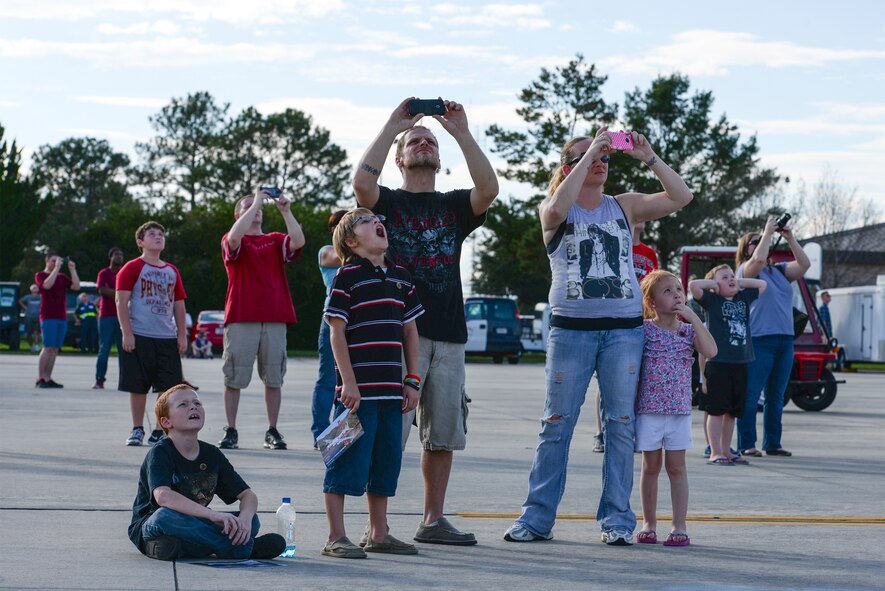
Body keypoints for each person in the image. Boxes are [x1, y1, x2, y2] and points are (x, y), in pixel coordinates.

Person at [504, 128, 693, 546]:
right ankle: (535, 520)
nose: (601, 161)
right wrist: (588, 149)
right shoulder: (556, 209)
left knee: (621, 426)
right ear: (569, 166)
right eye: (589, 156)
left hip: (623, 333)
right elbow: (555, 207)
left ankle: (617, 521)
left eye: (605, 156)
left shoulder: (623, 207)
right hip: (571, 333)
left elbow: (681, 197)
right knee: (556, 425)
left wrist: (649, 156)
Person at [352, 97, 499, 546]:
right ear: (399, 158)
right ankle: (378, 527)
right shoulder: (388, 204)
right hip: (396, 335)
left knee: (443, 434)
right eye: (414, 141)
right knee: (389, 433)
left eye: (428, 140)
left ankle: (432, 521)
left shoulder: (454, 206)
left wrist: (460, 132)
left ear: (439, 158)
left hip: (449, 335)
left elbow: (489, 188)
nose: (422, 144)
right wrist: (393, 124)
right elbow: (361, 182)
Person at [320, 208, 423, 559]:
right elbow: (336, 331)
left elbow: (410, 331)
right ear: (351, 240)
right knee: (344, 460)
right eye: (365, 220)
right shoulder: (346, 277)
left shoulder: (400, 277)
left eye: (378, 218)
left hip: (391, 395)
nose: (377, 221)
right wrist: (348, 382)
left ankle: (379, 533)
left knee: (385, 462)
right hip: (356, 397)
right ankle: (336, 536)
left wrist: (412, 380)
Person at [128, 383, 286, 561]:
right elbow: (163, 497)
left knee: (252, 520)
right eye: (183, 404)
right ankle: (235, 547)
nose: (193, 407)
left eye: (197, 403)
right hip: (154, 525)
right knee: (165, 516)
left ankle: (191, 546)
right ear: (166, 422)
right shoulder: (161, 452)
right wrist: (213, 515)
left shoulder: (211, 454)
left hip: (194, 524)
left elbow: (248, 495)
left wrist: (245, 519)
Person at [219, 188, 305, 451]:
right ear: (238, 215)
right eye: (247, 207)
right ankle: (231, 429)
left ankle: (272, 430)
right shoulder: (234, 240)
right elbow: (234, 237)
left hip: (274, 316)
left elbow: (298, 241)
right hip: (242, 316)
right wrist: (256, 199)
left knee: (274, 378)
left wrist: (286, 211)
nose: (255, 210)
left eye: (257, 208)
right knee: (233, 376)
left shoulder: (274, 239)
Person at [635, 270, 716, 547]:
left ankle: (679, 526)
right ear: (652, 302)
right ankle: (649, 523)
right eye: (667, 291)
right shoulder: (644, 329)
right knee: (651, 466)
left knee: (677, 467)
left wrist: (693, 316)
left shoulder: (688, 331)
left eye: (678, 289)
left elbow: (711, 350)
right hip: (649, 410)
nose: (676, 295)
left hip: (679, 411)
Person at [736, 217, 811, 457]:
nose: (760, 243)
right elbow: (758, 259)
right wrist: (767, 232)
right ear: (745, 249)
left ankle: (773, 444)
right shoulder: (746, 271)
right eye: (754, 241)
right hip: (760, 340)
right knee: (751, 394)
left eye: (761, 240)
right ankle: (746, 444)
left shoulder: (779, 271)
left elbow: (804, 263)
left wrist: (790, 238)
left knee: (776, 396)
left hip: (785, 340)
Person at [117, 221, 188, 447]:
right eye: (152, 234)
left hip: (166, 337)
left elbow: (179, 305)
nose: (158, 237)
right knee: (138, 386)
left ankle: (159, 430)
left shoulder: (171, 271)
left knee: (167, 388)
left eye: (161, 234)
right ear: (140, 242)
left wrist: (182, 335)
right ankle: (137, 428)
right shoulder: (132, 267)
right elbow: (121, 300)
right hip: (140, 335)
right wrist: (127, 332)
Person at [689, 265, 766, 465]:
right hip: (718, 362)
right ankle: (715, 451)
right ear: (714, 285)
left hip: (741, 362)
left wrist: (737, 282)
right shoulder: (712, 301)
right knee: (716, 410)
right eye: (725, 277)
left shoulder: (744, 298)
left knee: (732, 411)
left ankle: (726, 450)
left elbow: (762, 284)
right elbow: (694, 285)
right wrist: (715, 284)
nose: (731, 279)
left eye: (732, 275)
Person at [594, 221, 659, 453]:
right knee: (608, 378)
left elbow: (655, 287)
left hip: (641, 320)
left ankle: (631, 432)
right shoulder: (612, 245)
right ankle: (602, 433)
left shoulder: (649, 253)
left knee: (637, 380)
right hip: (617, 317)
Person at [310, 210, 347, 448]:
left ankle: (341, 432)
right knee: (328, 378)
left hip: (356, 321)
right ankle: (321, 434)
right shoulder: (327, 252)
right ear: (334, 229)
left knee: (349, 380)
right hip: (331, 320)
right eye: (342, 225)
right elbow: (337, 257)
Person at [35, 254, 80, 388]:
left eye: (57, 261)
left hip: (61, 316)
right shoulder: (40, 275)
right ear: (47, 261)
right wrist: (56, 269)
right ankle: (41, 378)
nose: (56, 263)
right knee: (48, 347)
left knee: (55, 349)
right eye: (53, 261)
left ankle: (48, 378)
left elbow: (76, 287)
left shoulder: (61, 277)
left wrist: (72, 270)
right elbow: (47, 285)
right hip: (48, 316)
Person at [94, 247, 124, 389]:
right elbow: (102, 290)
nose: (119, 257)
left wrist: (112, 292)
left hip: (123, 316)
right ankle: (100, 380)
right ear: (110, 257)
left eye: (121, 255)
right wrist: (120, 293)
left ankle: (125, 381)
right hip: (106, 316)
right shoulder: (103, 273)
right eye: (116, 255)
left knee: (124, 349)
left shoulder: (125, 273)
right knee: (104, 348)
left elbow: (131, 292)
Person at [18, 284, 42, 353]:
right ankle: (31, 346)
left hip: (37, 317)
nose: (35, 289)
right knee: (29, 333)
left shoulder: (40, 297)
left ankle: (37, 347)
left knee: (36, 332)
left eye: (36, 288)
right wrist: (25, 307)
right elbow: (20, 301)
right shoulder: (28, 297)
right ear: (31, 290)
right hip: (29, 317)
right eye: (33, 288)